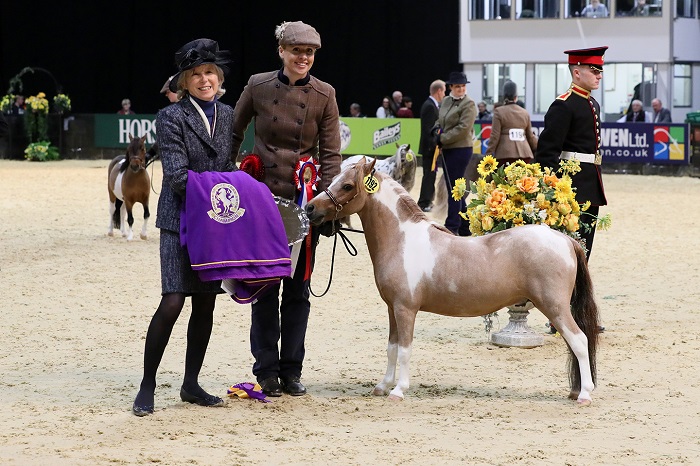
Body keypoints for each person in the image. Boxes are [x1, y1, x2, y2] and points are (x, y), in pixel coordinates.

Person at [231, 21, 341, 397]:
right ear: (281, 50)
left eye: (309, 53)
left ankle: (292, 370)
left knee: (298, 292)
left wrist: (329, 206)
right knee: (264, 291)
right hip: (262, 206)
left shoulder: (325, 95)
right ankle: (266, 371)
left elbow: (330, 155)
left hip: (303, 206)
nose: (303, 58)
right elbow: (231, 132)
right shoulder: (257, 86)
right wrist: (226, 181)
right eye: (297, 51)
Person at [132, 38, 235, 416]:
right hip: (178, 220)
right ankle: (147, 384)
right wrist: (227, 188)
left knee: (206, 305)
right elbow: (176, 176)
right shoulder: (170, 117)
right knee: (173, 300)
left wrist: (242, 184)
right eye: (195, 74)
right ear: (184, 81)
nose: (204, 79)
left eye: (209, 72)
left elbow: (227, 166)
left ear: (218, 77)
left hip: (215, 222)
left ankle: (191, 383)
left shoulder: (227, 114)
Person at [535, 46, 608, 333]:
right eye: (594, 70)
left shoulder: (592, 103)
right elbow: (547, 153)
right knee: (568, 256)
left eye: (600, 70)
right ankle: (561, 316)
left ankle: (578, 315)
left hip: (591, 186)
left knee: (584, 254)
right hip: (571, 192)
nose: (599, 75)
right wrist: (552, 193)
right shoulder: (563, 104)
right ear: (576, 72)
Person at [433, 71, 476, 236]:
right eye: (458, 86)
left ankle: (452, 226)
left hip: (461, 149)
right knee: (454, 185)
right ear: (451, 87)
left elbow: (463, 129)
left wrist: (442, 138)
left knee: (454, 188)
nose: (461, 89)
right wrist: (436, 129)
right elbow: (440, 119)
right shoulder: (446, 101)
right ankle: (465, 225)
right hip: (447, 150)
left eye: (463, 86)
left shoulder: (469, 104)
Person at [485, 80, 537, 165]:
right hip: (525, 154)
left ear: (503, 96)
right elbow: (530, 136)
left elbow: (495, 136)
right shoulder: (525, 113)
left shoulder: (498, 112)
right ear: (516, 97)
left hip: (505, 154)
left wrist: (488, 154)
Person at [416, 80, 446, 212]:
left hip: (431, 148)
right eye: (444, 91)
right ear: (439, 91)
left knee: (431, 175)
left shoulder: (432, 105)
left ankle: (427, 200)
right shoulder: (429, 106)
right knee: (428, 175)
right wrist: (435, 146)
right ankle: (424, 202)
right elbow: (428, 130)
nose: (444, 94)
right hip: (430, 148)